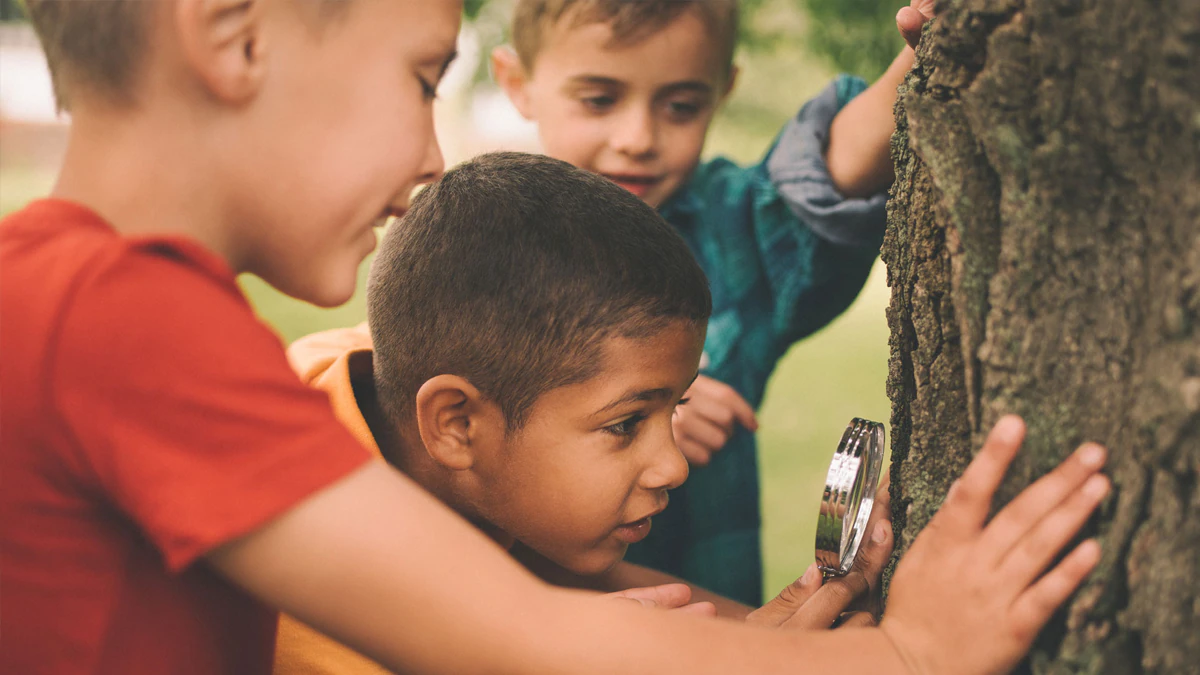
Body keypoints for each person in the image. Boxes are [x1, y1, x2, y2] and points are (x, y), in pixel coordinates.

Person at [0, 0, 1109, 673]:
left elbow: (549, 596)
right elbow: (519, 639)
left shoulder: (77, 300)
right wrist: (904, 658)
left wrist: (777, 642)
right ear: (234, 38)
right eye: (422, 75)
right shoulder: (115, 317)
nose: (435, 158)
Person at [274, 151, 900, 673]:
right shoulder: (325, 625)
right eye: (626, 424)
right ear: (457, 424)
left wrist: (807, 628)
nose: (674, 466)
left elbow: (567, 582)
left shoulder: (403, 388)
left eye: (676, 406)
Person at [487, 0, 938, 604]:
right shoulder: (480, 252)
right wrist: (643, 419)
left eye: (680, 106)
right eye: (599, 100)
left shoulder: (730, 235)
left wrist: (926, 47)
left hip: (715, 628)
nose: (638, 139)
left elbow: (830, 178)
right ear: (518, 83)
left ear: (724, 89)